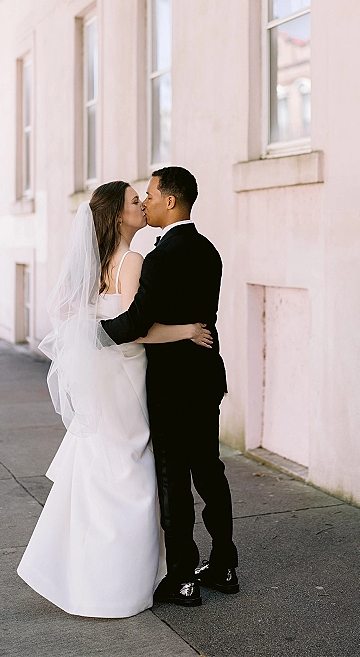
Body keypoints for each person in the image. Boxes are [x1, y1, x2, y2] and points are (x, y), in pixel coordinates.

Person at [17, 181, 213, 618]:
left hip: (103, 375)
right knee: (133, 472)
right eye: (132, 201)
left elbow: (78, 317)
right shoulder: (132, 261)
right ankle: (125, 582)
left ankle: (87, 577)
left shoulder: (96, 263)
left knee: (100, 468)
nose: (141, 204)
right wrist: (186, 330)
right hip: (125, 371)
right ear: (118, 216)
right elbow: (136, 326)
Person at [100, 166, 239, 608]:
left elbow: (137, 322)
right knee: (210, 471)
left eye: (151, 195)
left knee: (173, 479)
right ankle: (225, 564)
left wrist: (93, 333)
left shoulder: (161, 258)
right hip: (206, 377)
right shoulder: (210, 251)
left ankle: (182, 577)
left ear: (171, 202)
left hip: (170, 385)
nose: (146, 202)